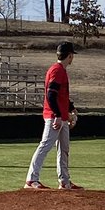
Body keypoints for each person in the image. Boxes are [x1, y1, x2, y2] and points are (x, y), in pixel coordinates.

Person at [24, 41, 83, 191]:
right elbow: (51, 95)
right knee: (45, 146)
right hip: (54, 116)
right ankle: (31, 179)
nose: (72, 58)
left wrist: (71, 108)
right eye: (72, 56)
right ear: (69, 56)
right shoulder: (57, 70)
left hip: (61, 116)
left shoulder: (60, 70)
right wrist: (57, 115)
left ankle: (64, 181)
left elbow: (60, 95)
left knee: (64, 149)